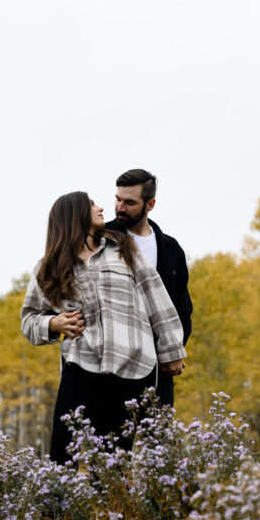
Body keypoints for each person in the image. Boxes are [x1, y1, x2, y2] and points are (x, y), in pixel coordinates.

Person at [20, 191, 186, 465]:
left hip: (132, 367)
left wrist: (172, 350)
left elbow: (156, 297)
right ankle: (54, 508)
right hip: (81, 366)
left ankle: (110, 507)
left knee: (113, 458)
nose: (101, 208)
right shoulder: (47, 267)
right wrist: (53, 322)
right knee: (63, 450)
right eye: (92, 204)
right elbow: (28, 319)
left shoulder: (123, 248)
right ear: (75, 216)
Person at [106, 169, 192, 407]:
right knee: (112, 444)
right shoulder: (101, 239)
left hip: (158, 367)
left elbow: (182, 306)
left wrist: (174, 351)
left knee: (161, 442)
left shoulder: (171, 248)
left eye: (130, 202)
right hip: (113, 368)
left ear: (150, 204)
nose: (120, 207)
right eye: (118, 199)